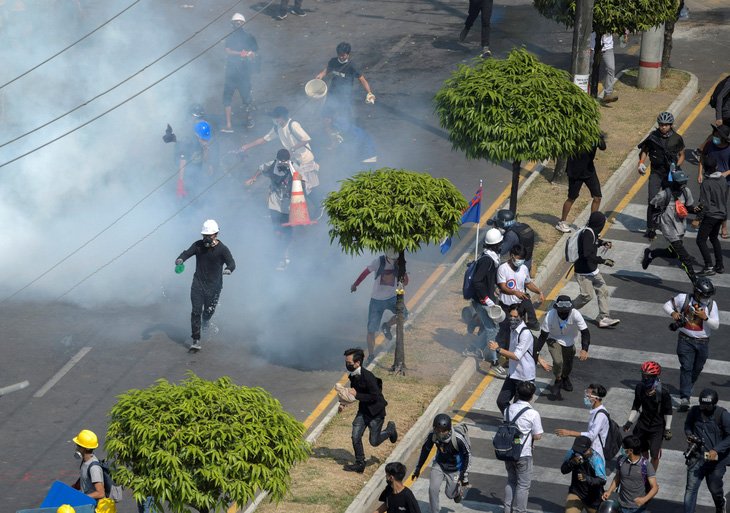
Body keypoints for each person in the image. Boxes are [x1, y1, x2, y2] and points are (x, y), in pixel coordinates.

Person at [175, 219, 235, 352]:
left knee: (208, 312)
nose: (206, 238)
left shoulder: (222, 249)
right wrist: (180, 260)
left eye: (210, 235)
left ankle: (206, 321)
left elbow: (231, 263)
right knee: (196, 311)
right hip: (198, 284)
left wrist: (228, 269)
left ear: (216, 234)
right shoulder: (198, 245)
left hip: (215, 286)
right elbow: (186, 253)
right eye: (204, 235)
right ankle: (196, 339)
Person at [662, 277, 719, 412]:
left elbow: (715, 325)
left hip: (703, 342)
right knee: (686, 367)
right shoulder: (684, 298)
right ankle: (685, 398)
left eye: (708, 295)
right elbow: (666, 305)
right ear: (697, 293)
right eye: (704, 295)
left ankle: (689, 384)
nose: (706, 298)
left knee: (697, 367)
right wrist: (673, 313)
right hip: (685, 340)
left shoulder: (712, 305)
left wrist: (705, 317)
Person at [339, 347, 397, 473]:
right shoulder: (353, 375)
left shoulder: (368, 377)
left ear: (357, 363)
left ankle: (389, 430)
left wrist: (357, 395)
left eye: (349, 363)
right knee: (355, 436)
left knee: (374, 441)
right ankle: (360, 463)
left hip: (376, 413)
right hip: (363, 411)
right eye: (346, 362)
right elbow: (352, 392)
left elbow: (375, 396)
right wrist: (343, 403)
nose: (347, 365)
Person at [239, 106, 320, 196]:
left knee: (311, 186)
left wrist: (292, 149)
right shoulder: (277, 128)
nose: (274, 120)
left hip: (305, 159)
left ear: (281, 117)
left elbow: (306, 139)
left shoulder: (293, 125)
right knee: (299, 186)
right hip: (295, 161)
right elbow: (264, 139)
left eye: (275, 118)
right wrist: (246, 146)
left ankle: (321, 202)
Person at [488, 303, 551, 413]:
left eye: (515, 317)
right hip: (512, 373)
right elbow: (532, 345)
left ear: (522, 318)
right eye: (511, 316)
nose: (512, 319)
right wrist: (539, 359)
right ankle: (510, 420)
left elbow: (517, 356)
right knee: (501, 401)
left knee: (519, 407)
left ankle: (515, 425)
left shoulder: (525, 333)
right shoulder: (512, 328)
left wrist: (498, 349)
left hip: (524, 377)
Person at [642, 170, 701, 283]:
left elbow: (689, 208)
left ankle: (651, 254)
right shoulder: (664, 194)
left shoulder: (686, 192)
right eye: (680, 182)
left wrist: (696, 210)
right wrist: (651, 228)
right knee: (685, 258)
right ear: (674, 182)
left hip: (680, 227)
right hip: (668, 227)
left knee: (673, 254)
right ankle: (696, 284)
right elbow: (651, 207)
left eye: (684, 182)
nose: (683, 184)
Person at [246, 149, 301, 270]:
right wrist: (254, 178)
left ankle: (285, 252)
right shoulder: (271, 165)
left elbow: (302, 182)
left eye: (285, 161)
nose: (282, 164)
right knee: (277, 232)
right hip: (275, 203)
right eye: (280, 161)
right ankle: (279, 256)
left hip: (288, 205)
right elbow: (261, 169)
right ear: (277, 159)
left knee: (287, 232)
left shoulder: (294, 168)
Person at [350, 250, 408, 360]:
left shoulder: (401, 262)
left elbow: (406, 282)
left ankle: (387, 325)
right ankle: (371, 356)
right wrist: (355, 285)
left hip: (392, 297)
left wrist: (400, 268)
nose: (392, 262)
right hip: (376, 300)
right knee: (371, 330)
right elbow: (365, 273)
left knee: (404, 315)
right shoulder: (378, 261)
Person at [637, 111, 685, 241]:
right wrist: (641, 162)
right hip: (656, 173)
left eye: (666, 125)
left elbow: (682, 155)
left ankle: (666, 223)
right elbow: (645, 150)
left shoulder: (677, 138)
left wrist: (677, 167)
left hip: (670, 174)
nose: (663, 127)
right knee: (652, 198)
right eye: (661, 124)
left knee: (669, 200)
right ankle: (651, 228)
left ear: (670, 125)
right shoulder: (653, 137)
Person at [463, 228, 504, 373]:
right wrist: (486, 299)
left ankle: (473, 348)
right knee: (492, 329)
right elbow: (477, 281)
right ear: (497, 244)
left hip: (485, 299)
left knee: (494, 328)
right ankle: (494, 362)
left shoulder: (489, 257)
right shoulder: (488, 260)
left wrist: (493, 288)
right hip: (483, 302)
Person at [534, 295, 590, 400]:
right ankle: (558, 381)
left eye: (566, 311)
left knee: (568, 364)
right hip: (553, 338)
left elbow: (585, 332)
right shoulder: (550, 315)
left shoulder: (576, 314)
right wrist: (536, 352)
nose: (564, 313)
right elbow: (543, 336)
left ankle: (565, 377)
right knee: (558, 361)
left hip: (569, 341)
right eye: (561, 311)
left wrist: (585, 349)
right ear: (557, 309)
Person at [683, 388, 730, 513]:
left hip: (716, 461)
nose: (704, 409)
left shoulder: (723, 415)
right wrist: (689, 434)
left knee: (715, 489)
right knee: (690, 489)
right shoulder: (694, 411)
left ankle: (720, 504)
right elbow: (688, 425)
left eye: (708, 406)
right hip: (696, 457)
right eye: (702, 405)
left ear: (714, 404)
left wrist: (716, 449)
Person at [412, 414, 471, 511]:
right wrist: (418, 468)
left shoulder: (458, 438)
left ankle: (457, 493)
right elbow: (425, 450)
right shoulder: (432, 435)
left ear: (448, 429)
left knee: (450, 494)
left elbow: (468, 455)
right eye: (438, 431)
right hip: (439, 465)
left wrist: (464, 476)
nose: (440, 434)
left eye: (443, 431)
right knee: (432, 490)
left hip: (455, 468)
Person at [315, 42, 374, 139]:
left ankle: (348, 139)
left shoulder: (352, 66)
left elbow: (363, 80)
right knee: (326, 119)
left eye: (343, 55)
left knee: (345, 120)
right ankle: (333, 141)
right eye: (339, 55)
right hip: (332, 95)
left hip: (344, 97)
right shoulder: (333, 61)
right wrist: (321, 74)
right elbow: (328, 68)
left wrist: (369, 93)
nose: (341, 57)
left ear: (348, 54)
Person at [621, 362, 673, 472]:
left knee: (655, 455)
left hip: (657, 427)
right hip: (642, 425)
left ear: (655, 376)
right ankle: (643, 471)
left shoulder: (663, 392)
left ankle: (651, 475)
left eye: (648, 376)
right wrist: (629, 421)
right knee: (642, 450)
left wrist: (667, 429)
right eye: (644, 376)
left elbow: (668, 411)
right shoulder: (640, 388)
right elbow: (636, 405)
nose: (645, 378)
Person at [572, 211, 620, 328]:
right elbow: (587, 254)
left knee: (603, 290)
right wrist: (603, 261)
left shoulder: (591, 231)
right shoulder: (588, 234)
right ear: (599, 223)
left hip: (592, 270)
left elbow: (593, 243)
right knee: (587, 296)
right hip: (584, 272)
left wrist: (603, 242)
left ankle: (604, 318)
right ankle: (566, 308)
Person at [502, 381, 543, 513]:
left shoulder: (508, 409)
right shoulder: (533, 414)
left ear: (517, 394)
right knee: (523, 486)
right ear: (532, 396)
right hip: (523, 454)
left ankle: (507, 509)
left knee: (511, 481)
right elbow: (538, 435)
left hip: (508, 451)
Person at [557, 134, 606, 233]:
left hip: (589, 171)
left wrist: (598, 136)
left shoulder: (595, 136)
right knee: (572, 197)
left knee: (597, 197)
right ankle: (562, 222)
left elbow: (603, 147)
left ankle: (592, 224)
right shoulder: (577, 134)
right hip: (575, 172)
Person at [601, 436, 659, 513]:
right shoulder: (621, 460)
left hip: (638, 508)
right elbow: (617, 478)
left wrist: (644, 500)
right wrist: (609, 491)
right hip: (621, 506)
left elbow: (655, 488)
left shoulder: (646, 465)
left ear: (630, 450)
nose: (622, 450)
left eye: (624, 447)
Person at [222, 13, 259, 132]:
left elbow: (256, 53)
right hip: (231, 73)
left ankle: (249, 118)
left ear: (244, 24)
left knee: (246, 97)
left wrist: (250, 55)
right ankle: (228, 125)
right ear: (232, 24)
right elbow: (228, 51)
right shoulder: (230, 37)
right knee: (227, 98)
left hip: (244, 72)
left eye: (240, 22)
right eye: (236, 22)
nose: (237, 24)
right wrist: (241, 53)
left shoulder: (250, 37)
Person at [496, 243, 545, 333]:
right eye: (519, 259)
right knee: (506, 331)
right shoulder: (503, 269)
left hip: (519, 305)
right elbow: (503, 287)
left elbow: (528, 284)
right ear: (512, 256)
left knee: (520, 330)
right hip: (507, 306)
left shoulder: (524, 268)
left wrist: (540, 292)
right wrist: (515, 293)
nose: (521, 261)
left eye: (523, 259)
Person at [556, 384, 610, 463]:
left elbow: (592, 435)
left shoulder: (600, 415)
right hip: (589, 449)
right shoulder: (595, 411)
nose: (586, 397)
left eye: (588, 395)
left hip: (595, 452)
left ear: (595, 399)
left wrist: (570, 433)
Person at [693, 155, 727, 276]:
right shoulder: (723, 179)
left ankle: (709, 266)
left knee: (701, 240)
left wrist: (697, 219)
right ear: (717, 167)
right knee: (714, 238)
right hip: (721, 214)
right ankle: (720, 265)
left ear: (704, 169)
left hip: (711, 215)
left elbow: (705, 203)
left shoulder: (706, 183)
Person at [560, 435, 607, 513]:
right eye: (576, 450)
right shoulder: (572, 452)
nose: (578, 454)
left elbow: (602, 480)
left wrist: (587, 478)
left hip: (593, 499)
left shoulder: (596, 459)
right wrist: (571, 464)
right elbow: (563, 470)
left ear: (588, 450)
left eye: (581, 451)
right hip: (576, 493)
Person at [699, 124, 730, 239]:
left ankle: (724, 228)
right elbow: (702, 157)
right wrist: (699, 174)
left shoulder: (729, 148)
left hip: (724, 182)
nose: (715, 137)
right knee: (705, 201)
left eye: (717, 135)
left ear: (723, 137)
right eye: (714, 134)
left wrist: (722, 175)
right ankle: (704, 222)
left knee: (722, 204)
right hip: (708, 178)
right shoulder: (709, 144)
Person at [175, 120, 219, 200]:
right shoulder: (186, 143)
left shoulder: (203, 144)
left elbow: (206, 161)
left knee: (202, 194)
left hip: (197, 170)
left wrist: (205, 149)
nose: (205, 141)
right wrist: (180, 184)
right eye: (204, 139)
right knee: (187, 197)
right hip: (186, 173)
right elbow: (182, 166)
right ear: (197, 136)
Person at [72, 429, 105, 500]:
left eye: (78, 445)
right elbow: (85, 479)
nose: (77, 448)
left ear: (84, 448)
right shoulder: (85, 461)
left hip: (93, 507)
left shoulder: (94, 468)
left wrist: (82, 498)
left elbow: (101, 493)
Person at [590, 33, 617, 103]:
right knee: (590, 70)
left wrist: (625, 33)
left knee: (611, 69)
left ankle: (607, 95)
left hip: (608, 48)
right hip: (594, 47)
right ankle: (589, 92)